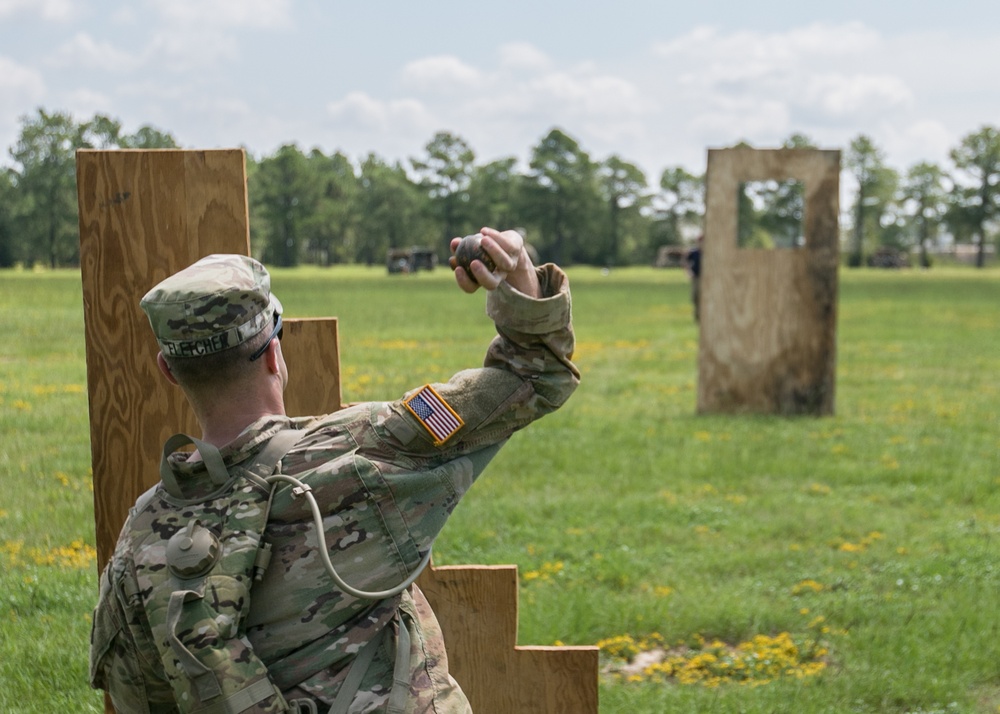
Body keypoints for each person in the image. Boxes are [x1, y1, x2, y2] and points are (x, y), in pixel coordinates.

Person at [89, 228, 579, 713]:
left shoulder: (142, 536)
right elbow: (535, 375)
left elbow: (141, 695)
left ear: (168, 370)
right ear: (276, 354)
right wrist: (518, 276)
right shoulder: (362, 451)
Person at [685, 234, 703, 322]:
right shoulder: (694, 253)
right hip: (696, 277)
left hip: (707, 279)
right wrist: (689, 272)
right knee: (696, 297)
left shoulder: (710, 253)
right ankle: (698, 317)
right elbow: (685, 261)